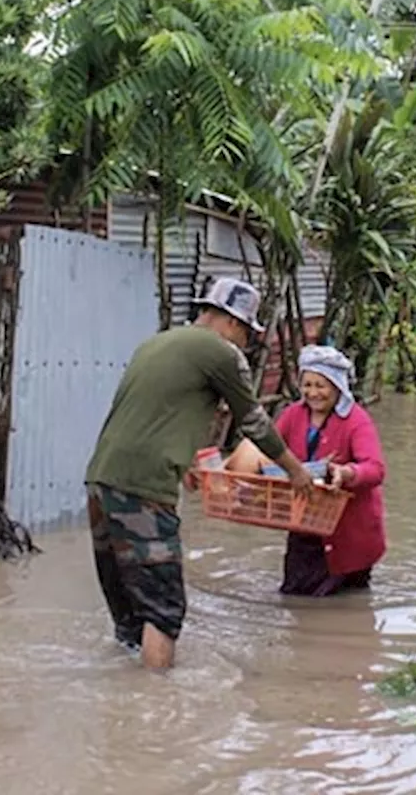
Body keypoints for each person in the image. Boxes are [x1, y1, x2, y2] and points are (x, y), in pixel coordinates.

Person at [85, 276, 314, 671]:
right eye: (246, 334)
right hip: (144, 488)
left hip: (101, 481)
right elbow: (254, 422)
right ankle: (159, 712)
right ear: (233, 323)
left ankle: (121, 706)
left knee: (128, 611)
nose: (245, 343)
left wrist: (189, 461)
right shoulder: (221, 353)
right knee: (164, 610)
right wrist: (296, 472)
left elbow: (160, 411)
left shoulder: (156, 343)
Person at [227, 345, 388, 597]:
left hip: (349, 532)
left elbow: (375, 469)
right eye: (307, 385)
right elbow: (266, 448)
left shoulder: (357, 420)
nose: (313, 393)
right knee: (299, 596)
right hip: (304, 522)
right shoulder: (293, 415)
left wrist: (346, 474)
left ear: (337, 387)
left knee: (333, 603)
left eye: (321, 385)